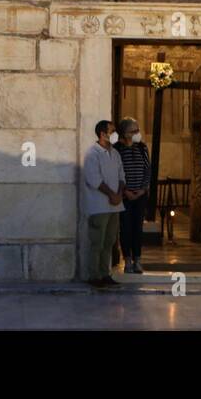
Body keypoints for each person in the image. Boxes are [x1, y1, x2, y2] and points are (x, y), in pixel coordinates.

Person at [83, 119, 125, 288]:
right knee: (97, 242)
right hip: (99, 206)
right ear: (102, 134)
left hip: (115, 205)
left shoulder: (115, 153)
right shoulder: (92, 153)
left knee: (109, 241)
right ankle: (94, 275)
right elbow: (94, 179)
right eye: (112, 131)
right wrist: (111, 194)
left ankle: (105, 273)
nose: (115, 134)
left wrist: (119, 194)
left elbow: (122, 175)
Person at [115, 117, 151, 274]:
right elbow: (115, 172)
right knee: (126, 228)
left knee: (138, 228)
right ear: (125, 133)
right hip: (125, 196)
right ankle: (127, 260)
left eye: (137, 130)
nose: (137, 133)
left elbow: (147, 169)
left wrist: (143, 189)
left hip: (140, 195)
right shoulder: (117, 149)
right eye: (134, 131)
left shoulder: (142, 147)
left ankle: (138, 260)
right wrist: (125, 191)